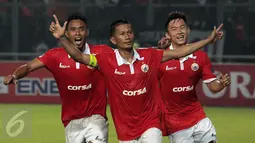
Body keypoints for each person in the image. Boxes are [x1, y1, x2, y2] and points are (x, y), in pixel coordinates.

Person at [49, 14, 223, 143]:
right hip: (125, 131)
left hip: (151, 123)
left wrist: (208, 40)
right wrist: (62, 38)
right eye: (122, 34)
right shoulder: (105, 60)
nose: (127, 36)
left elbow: (179, 51)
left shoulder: (149, 55)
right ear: (113, 39)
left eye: (130, 32)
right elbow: (80, 57)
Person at [4, 12, 113, 143]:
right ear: (66, 34)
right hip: (71, 121)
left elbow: (122, 59)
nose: (77, 33)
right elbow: (28, 66)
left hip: (96, 118)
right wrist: (15, 75)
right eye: (73, 30)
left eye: (81, 29)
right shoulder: (54, 56)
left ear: (87, 32)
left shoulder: (102, 52)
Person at [158, 11, 230, 143]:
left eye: (182, 27)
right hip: (174, 122)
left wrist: (221, 84)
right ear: (167, 35)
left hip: (198, 117)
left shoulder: (200, 57)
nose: (179, 32)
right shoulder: (160, 58)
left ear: (188, 30)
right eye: (174, 29)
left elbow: (213, 86)